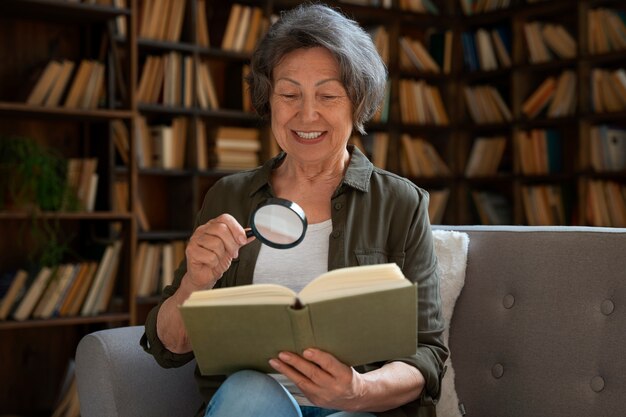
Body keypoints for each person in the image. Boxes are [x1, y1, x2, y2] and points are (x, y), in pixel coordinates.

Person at [141, 3, 448, 417]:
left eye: (327, 95)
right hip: (251, 407)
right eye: (289, 94)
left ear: (357, 104)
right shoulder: (228, 196)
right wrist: (195, 283)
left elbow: (427, 354)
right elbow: (171, 348)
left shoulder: (400, 203)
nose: (307, 115)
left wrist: (357, 389)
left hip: (358, 409)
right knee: (248, 391)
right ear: (270, 101)